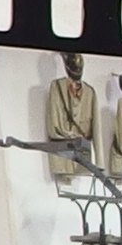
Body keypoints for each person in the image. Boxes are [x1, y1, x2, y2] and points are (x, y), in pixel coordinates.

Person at [43, 52, 97, 180]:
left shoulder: (90, 92)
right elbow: (53, 126)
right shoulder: (56, 87)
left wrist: (98, 164)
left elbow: (96, 129)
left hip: (80, 154)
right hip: (62, 152)